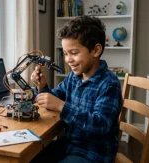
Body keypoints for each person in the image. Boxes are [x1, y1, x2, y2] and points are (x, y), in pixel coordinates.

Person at [30, 16, 123, 163]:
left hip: (93, 155)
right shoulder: (74, 77)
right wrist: (42, 87)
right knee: (30, 158)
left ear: (96, 50)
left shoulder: (109, 84)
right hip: (70, 146)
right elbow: (53, 98)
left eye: (74, 53)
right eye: (66, 54)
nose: (68, 60)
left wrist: (61, 106)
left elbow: (100, 125)